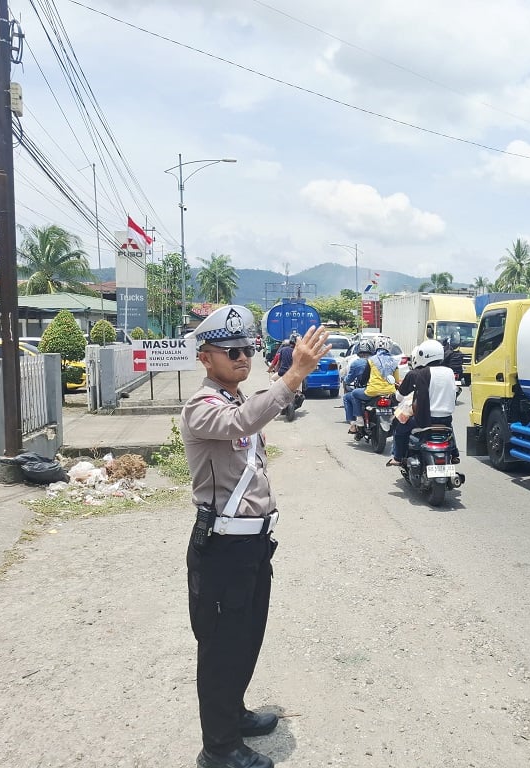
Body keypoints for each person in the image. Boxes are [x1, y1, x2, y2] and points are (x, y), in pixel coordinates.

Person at [182, 305, 330, 768]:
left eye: (248, 349)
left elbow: (252, 415)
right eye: (232, 351)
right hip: (222, 547)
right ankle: (219, 749)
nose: (243, 357)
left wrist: (293, 380)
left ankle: (235, 714)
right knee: (222, 647)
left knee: (246, 638)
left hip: (251, 545)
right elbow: (243, 424)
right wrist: (293, 374)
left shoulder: (235, 400)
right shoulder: (202, 408)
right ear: (206, 358)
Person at [386, 339, 457, 467]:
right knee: (449, 430)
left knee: (400, 427)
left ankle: (397, 457)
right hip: (446, 418)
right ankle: (455, 454)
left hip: (424, 419)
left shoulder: (419, 373)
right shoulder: (449, 372)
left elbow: (403, 396)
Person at [341, 339, 375, 432]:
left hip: (366, 390)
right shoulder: (377, 361)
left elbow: (349, 379)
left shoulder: (356, 363)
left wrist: (344, 378)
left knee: (348, 397)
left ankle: (355, 423)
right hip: (382, 390)